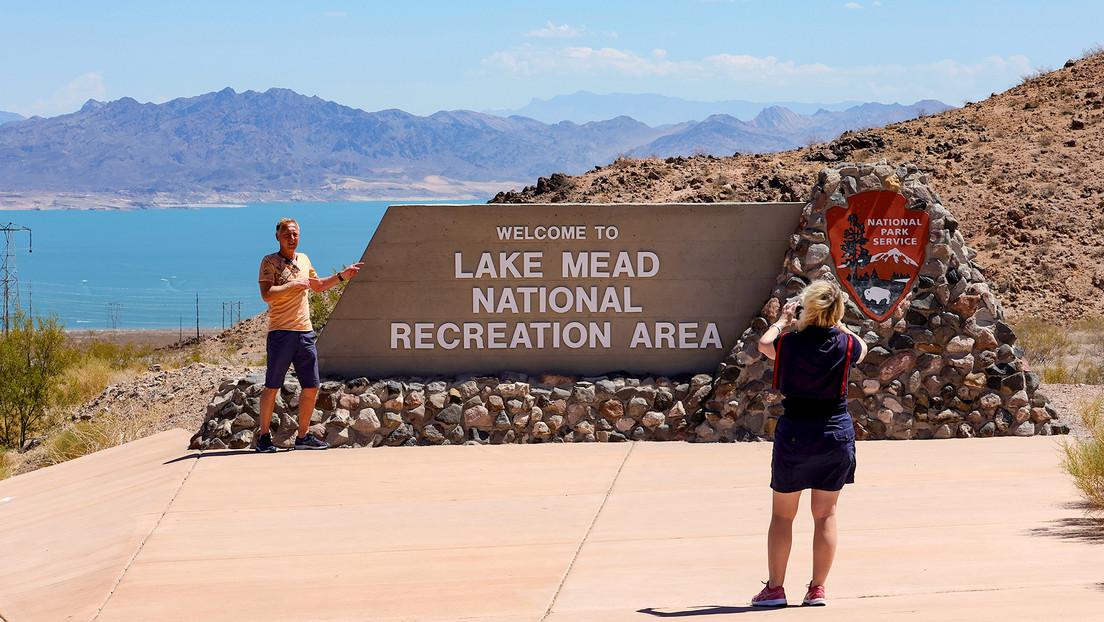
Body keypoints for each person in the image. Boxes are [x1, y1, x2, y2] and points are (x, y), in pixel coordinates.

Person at [750, 279, 868, 607]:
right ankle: (817, 589)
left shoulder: (789, 343)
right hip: (835, 434)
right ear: (836, 310)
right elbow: (864, 347)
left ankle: (775, 589)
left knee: (783, 516)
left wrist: (783, 320)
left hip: (796, 434)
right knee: (826, 514)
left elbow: (764, 344)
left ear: (806, 309)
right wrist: (840, 323)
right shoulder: (846, 344)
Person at [255, 217, 363, 453]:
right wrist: (293, 285)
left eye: (295, 234)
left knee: (311, 386)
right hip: (281, 332)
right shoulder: (269, 262)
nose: (291, 238)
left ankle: (303, 437)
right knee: (272, 386)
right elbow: (267, 294)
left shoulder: (303, 259)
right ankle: (264, 438)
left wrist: (342, 276)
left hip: (305, 333)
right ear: (278, 237)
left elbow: (317, 285)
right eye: (287, 234)